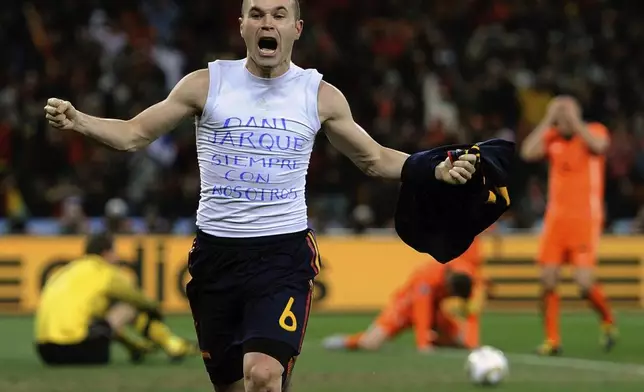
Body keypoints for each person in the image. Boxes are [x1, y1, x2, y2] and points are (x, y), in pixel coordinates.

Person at [44, 0, 478, 390]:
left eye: (278, 15)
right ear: (242, 26)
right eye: (256, 14)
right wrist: (79, 120)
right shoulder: (205, 84)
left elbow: (373, 158)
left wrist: (432, 168)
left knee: (264, 375)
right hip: (216, 257)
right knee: (235, 385)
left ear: (296, 29)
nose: (266, 22)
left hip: (281, 255)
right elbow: (134, 134)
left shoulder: (319, 94)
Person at [520, 96, 616, 355]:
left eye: (566, 116)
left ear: (576, 116)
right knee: (547, 280)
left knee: (584, 284)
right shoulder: (553, 138)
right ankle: (553, 340)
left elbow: (600, 146)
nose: (562, 122)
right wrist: (547, 120)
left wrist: (574, 120)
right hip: (556, 221)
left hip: (585, 219)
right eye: (559, 117)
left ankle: (607, 319)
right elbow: (527, 152)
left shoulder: (593, 132)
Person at [35, 233, 198, 366]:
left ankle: (135, 348)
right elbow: (138, 299)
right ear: (106, 253)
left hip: (46, 352)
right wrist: (154, 309)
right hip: (78, 350)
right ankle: (172, 344)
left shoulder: (64, 271)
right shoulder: (105, 272)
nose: (117, 257)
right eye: (114, 252)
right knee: (128, 307)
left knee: (99, 315)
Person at [321, 261, 475, 353]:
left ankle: (443, 343)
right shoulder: (428, 278)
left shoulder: (460, 274)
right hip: (404, 308)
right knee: (370, 343)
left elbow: (469, 307)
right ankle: (346, 341)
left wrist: (470, 340)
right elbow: (422, 312)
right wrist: (423, 344)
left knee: (460, 340)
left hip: (434, 311)